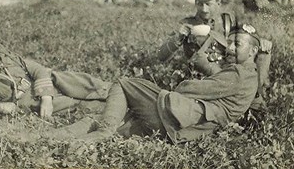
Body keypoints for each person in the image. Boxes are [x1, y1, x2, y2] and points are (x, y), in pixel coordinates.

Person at [55, 23, 263, 143]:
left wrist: (207, 70)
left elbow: (187, 88)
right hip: (183, 129)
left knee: (123, 84)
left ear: (253, 51)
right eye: (231, 43)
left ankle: (102, 132)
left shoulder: (238, 73)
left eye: (238, 44)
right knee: (111, 120)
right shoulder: (248, 75)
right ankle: (48, 138)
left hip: (173, 117)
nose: (231, 48)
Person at [0, 16, 112, 118]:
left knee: (95, 85)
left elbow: (37, 69)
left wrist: (47, 98)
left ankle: (119, 89)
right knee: (90, 105)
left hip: (46, 85)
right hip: (30, 102)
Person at [157, 0, 272, 108]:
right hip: (202, 78)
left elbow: (245, 39)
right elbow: (161, 56)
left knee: (264, 53)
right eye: (199, 3)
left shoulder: (227, 21)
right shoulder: (186, 24)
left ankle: (258, 94)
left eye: (208, 4)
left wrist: (262, 42)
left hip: (228, 73)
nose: (204, 9)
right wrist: (178, 37)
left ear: (218, 2)